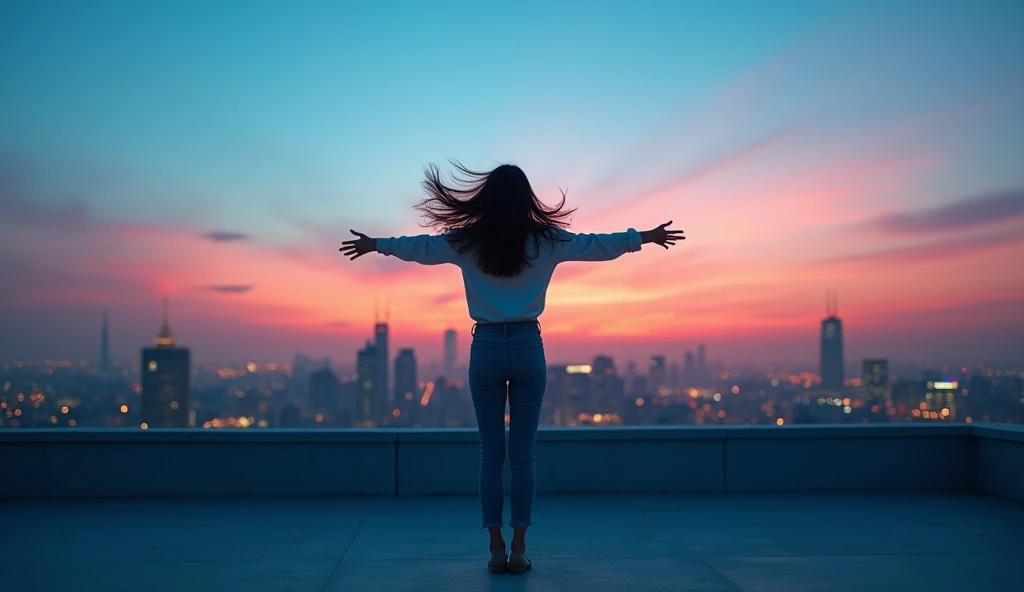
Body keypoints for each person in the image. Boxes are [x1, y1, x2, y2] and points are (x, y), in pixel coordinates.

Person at [339, 162, 684, 575]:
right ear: (527, 199)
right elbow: (596, 245)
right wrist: (644, 237)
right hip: (527, 345)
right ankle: (520, 549)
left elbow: (420, 248)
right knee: (522, 456)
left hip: (484, 346)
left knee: (490, 455)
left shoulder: (466, 242)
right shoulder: (547, 240)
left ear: (485, 197)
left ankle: (494, 548)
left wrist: (376, 244)